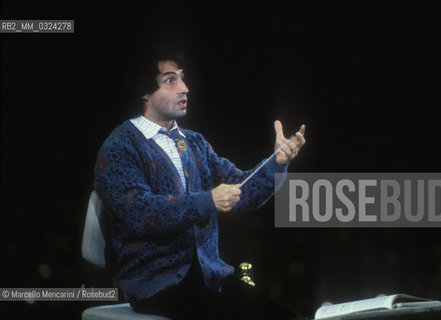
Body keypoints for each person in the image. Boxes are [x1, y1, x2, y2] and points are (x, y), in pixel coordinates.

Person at [93, 49, 306, 319]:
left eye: (183, 79)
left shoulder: (193, 142)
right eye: (171, 80)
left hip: (209, 277)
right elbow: (141, 213)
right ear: (144, 92)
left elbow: (246, 190)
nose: (185, 88)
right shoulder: (120, 147)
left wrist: (277, 162)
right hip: (154, 283)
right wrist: (208, 200)